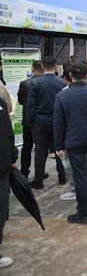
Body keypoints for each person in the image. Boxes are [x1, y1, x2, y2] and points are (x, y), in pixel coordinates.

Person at [53, 62, 87, 224]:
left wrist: (58, 146)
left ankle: (84, 213)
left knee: (80, 177)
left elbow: (58, 124)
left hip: (73, 141)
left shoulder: (61, 96)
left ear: (69, 77)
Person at [26, 56, 66, 189]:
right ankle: (62, 177)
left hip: (40, 122)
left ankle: (38, 181)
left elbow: (30, 105)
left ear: (42, 66)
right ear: (56, 66)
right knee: (59, 149)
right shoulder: (62, 83)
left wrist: (30, 122)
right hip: (57, 123)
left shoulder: (35, 83)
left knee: (40, 151)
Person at [17, 60, 43, 179]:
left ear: (32, 69)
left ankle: (24, 173)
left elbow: (21, 101)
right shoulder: (47, 83)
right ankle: (40, 174)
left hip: (28, 120)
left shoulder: (25, 83)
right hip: (42, 121)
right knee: (41, 149)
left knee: (26, 147)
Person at [0, 97, 17, 269]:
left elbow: (8, 133)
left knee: (1, 210)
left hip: (2, 167)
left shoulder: (0, 103)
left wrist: (12, 156)